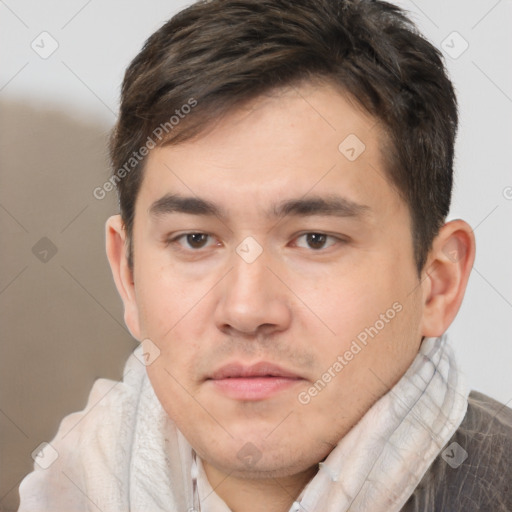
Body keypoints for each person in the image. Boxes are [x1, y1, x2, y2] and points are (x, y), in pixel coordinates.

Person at [18, 0, 512, 510]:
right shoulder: (68, 488)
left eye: (315, 239)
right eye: (195, 240)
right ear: (128, 274)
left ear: (437, 281)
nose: (247, 310)